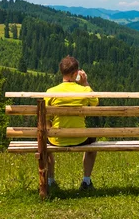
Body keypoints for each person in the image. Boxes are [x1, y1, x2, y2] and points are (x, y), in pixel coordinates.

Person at [45, 56, 99, 191]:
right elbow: (95, 102)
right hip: (80, 139)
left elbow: (46, 117)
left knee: (44, 142)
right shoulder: (84, 91)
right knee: (93, 143)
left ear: (62, 72)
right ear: (75, 74)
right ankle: (86, 181)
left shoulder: (51, 92)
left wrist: (52, 131)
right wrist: (85, 83)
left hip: (56, 140)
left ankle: (50, 181)